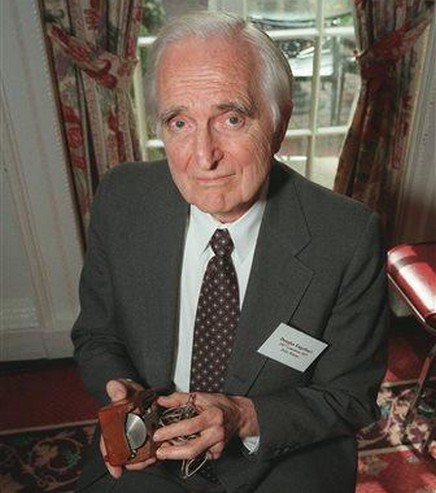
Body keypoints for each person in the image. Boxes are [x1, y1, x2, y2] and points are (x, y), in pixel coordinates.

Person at [72, 10, 387, 493]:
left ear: (278, 124)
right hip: (150, 450)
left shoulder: (346, 235)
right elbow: (96, 336)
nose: (204, 157)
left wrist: (242, 416)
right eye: (180, 122)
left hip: (281, 452)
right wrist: (121, 390)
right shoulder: (121, 199)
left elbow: (351, 397)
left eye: (232, 118)